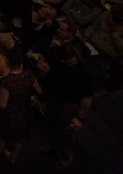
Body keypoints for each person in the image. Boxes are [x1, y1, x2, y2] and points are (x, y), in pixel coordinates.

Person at [40, 42, 94, 171]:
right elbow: (42, 55)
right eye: (67, 63)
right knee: (51, 124)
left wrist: (80, 119)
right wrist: (42, 64)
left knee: (67, 132)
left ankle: (66, 157)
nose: (70, 65)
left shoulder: (85, 72)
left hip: (71, 104)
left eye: (72, 63)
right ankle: (53, 146)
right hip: (54, 97)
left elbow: (86, 100)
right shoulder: (55, 53)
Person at [0, 47, 40, 162]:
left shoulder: (6, 82)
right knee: (17, 138)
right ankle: (12, 158)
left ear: (7, 62)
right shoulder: (28, 74)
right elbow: (39, 91)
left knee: (0, 135)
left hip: (8, 114)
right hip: (23, 112)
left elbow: (2, 104)